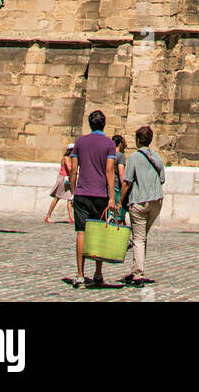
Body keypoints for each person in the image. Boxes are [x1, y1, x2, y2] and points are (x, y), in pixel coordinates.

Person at [69, 110, 117, 289]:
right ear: (103, 124)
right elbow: (109, 170)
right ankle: (98, 273)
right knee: (98, 233)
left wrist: (74, 191)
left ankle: (80, 275)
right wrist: (112, 197)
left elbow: (74, 170)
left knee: (81, 232)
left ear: (90, 124)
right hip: (100, 194)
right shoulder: (109, 144)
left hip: (82, 192)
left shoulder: (80, 142)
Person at [119, 125, 165, 287]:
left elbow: (127, 181)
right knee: (141, 237)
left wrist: (119, 203)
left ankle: (138, 274)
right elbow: (162, 179)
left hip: (139, 201)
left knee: (138, 238)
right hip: (156, 201)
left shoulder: (134, 157)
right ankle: (135, 270)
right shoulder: (157, 157)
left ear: (138, 140)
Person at [45, 143, 75, 224]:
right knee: (57, 197)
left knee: (69, 198)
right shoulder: (66, 158)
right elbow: (69, 168)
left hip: (67, 179)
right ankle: (48, 216)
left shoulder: (71, 158)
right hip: (63, 179)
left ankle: (71, 218)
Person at [112, 135, 128, 224]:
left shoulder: (108, 154)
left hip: (108, 186)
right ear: (120, 144)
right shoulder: (120, 156)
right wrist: (125, 187)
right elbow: (121, 173)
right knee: (119, 215)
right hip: (117, 187)